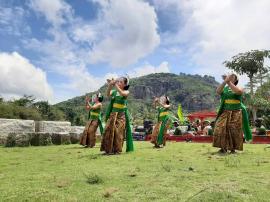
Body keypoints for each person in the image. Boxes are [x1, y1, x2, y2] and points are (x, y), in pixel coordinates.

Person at [213, 73, 252, 153]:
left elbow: (238, 92)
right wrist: (224, 82)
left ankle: (233, 148)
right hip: (225, 111)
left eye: (232, 76)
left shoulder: (239, 87)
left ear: (236, 79)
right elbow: (218, 91)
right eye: (229, 76)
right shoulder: (225, 88)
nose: (230, 77)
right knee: (220, 128)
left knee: (234, 130)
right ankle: (223, 147)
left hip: (236, 111)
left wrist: (228, 82)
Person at [100, 77, 134, 154]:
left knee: (118, 132)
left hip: (121, 115)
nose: (119, 83)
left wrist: (115, 84)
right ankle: (108, 149)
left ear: (125, 84)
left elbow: (122, 93)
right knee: (108, 130)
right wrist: (110, 85)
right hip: (113, 114)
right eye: (118, 81)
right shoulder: (114, 91)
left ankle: (117, 150)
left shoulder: (126, 92)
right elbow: (108, 94)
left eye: (120, 82)